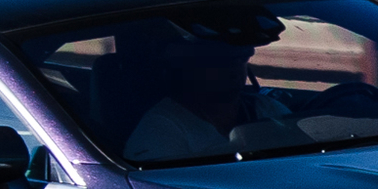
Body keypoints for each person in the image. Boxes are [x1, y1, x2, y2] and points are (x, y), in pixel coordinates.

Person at [124, 38, 296, 161]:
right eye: (220, 61)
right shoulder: (160, 129)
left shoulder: (268, 109)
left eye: (241, 59)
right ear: (189, 67)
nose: (234, 68)